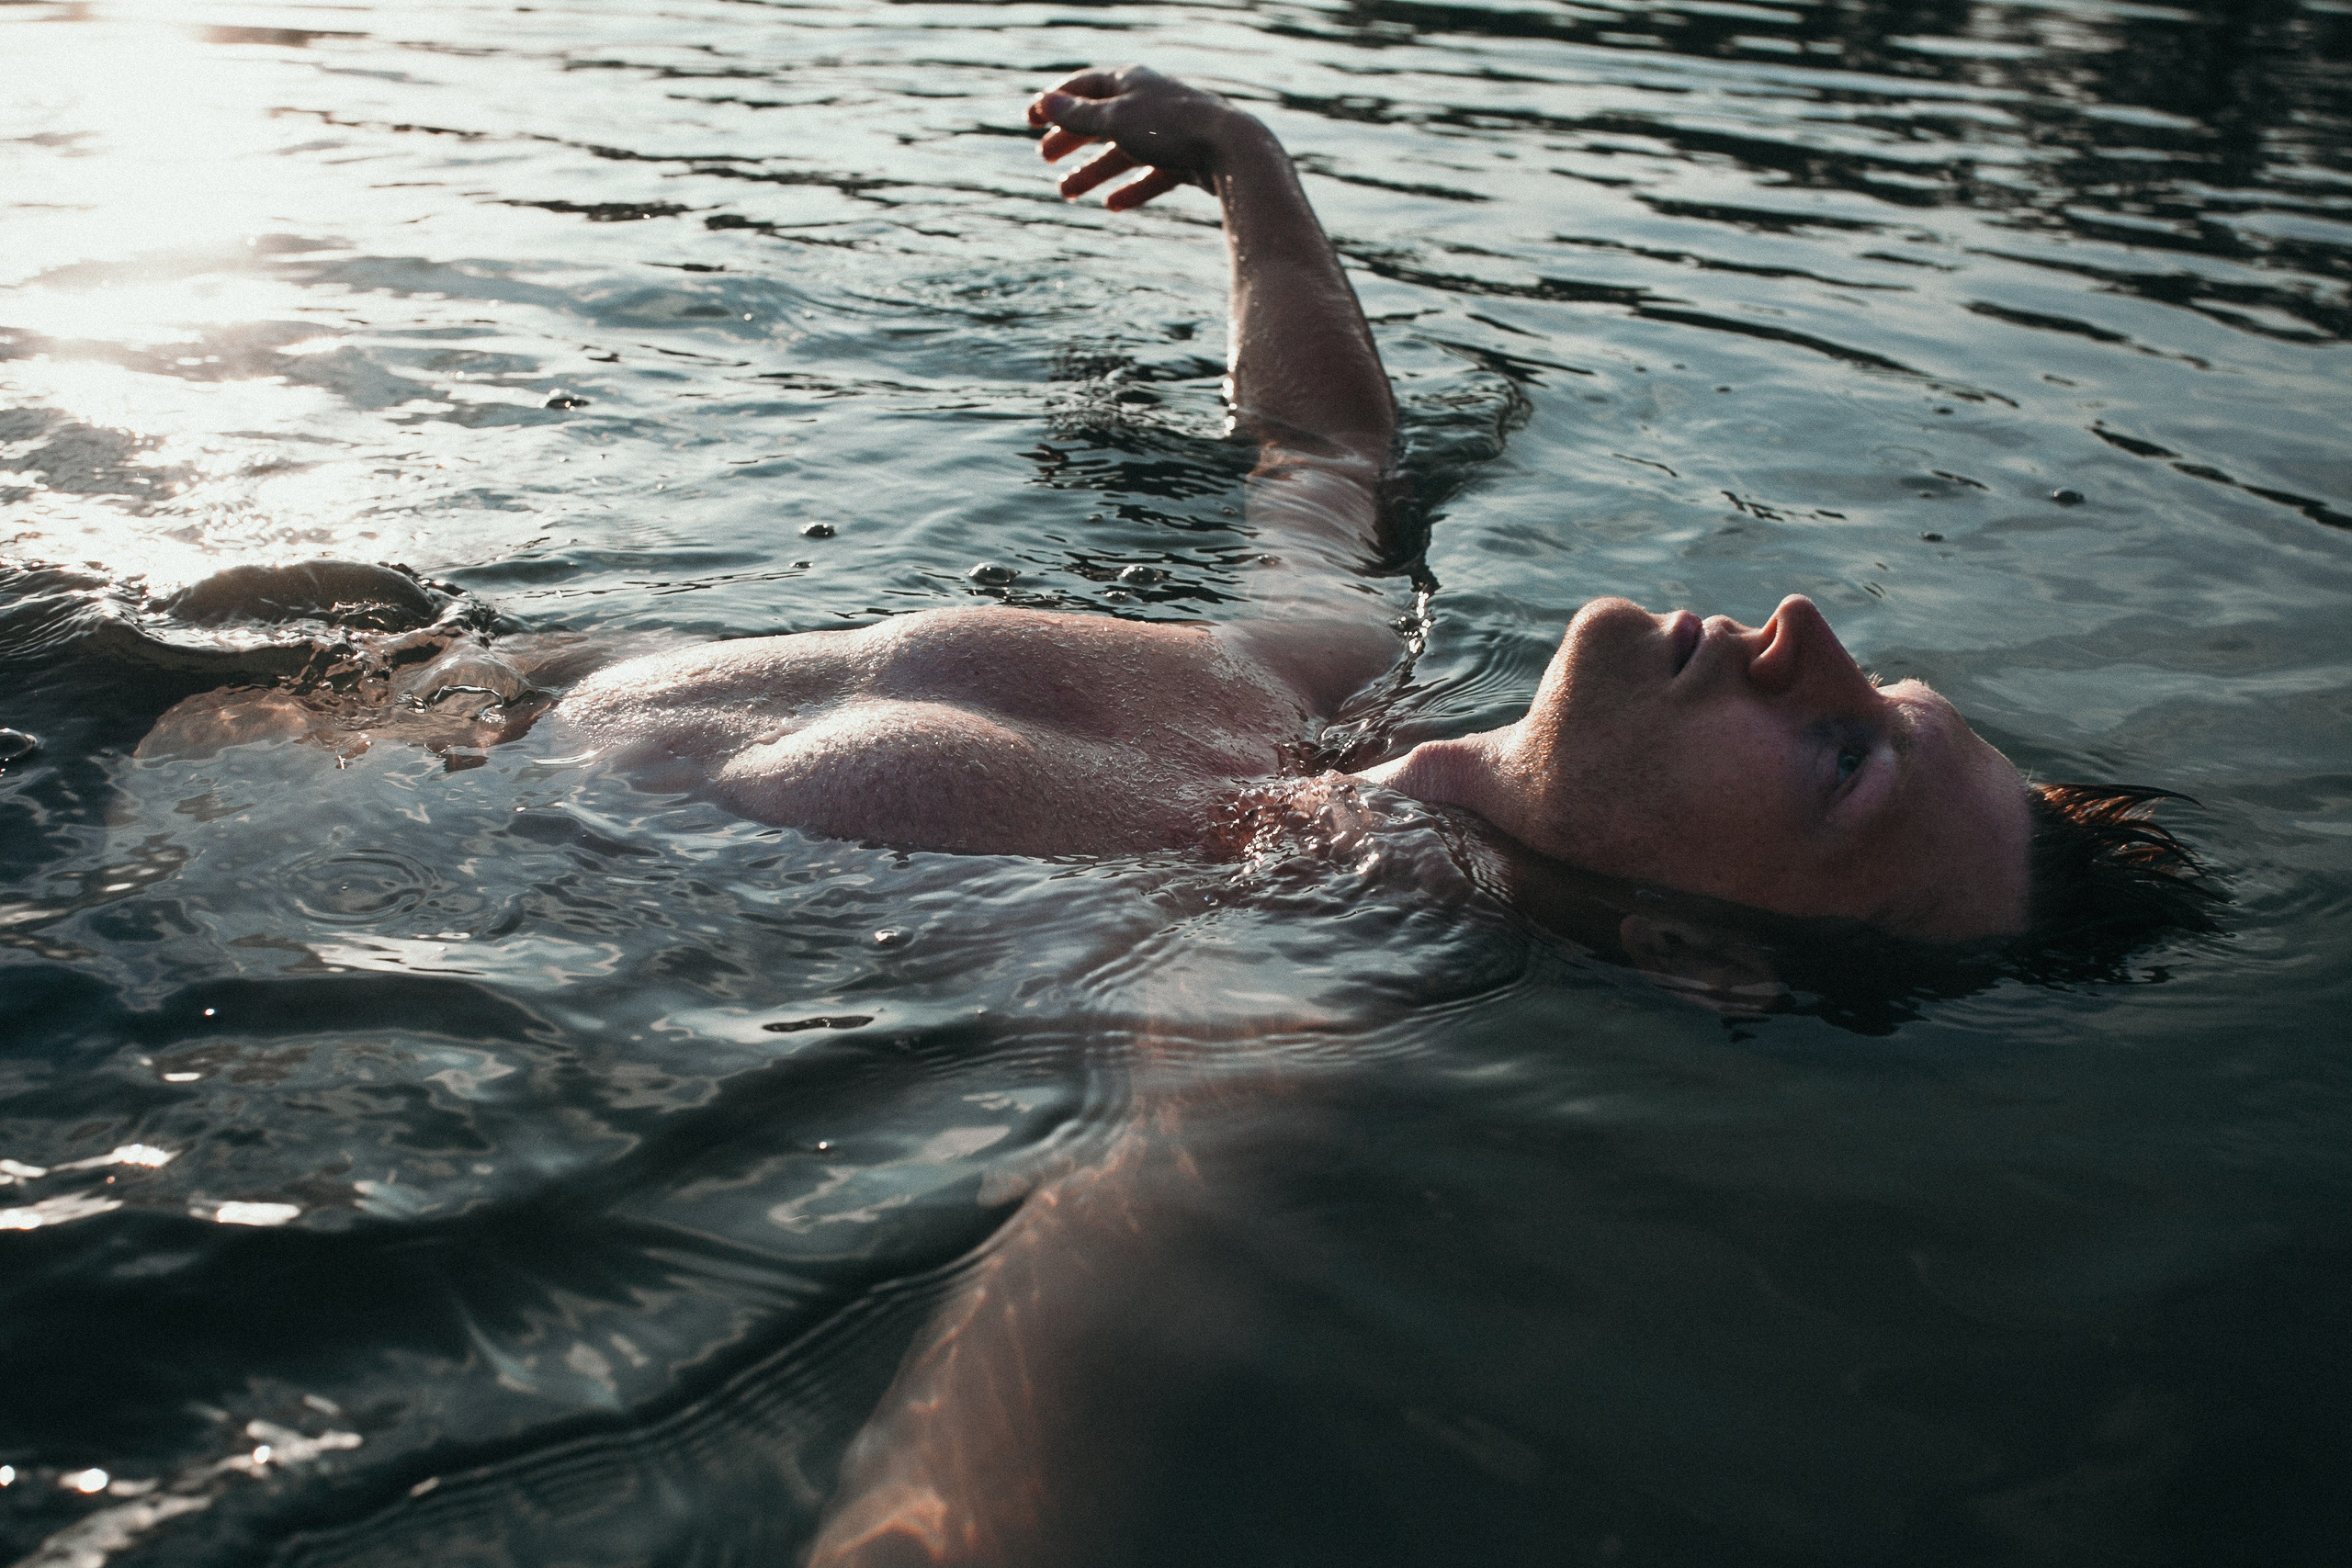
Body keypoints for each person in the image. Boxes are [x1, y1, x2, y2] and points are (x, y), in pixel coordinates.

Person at [137, 65, 2207, 961]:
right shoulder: (1308, 686)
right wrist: (1244, 163)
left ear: (1693, 959)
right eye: (1879, 674)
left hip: (184, 911)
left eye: (1841, 751)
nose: (1801, 625)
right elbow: (1321, 453)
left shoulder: (1246, 1003)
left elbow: (1013, 1396)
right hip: (306, 683)